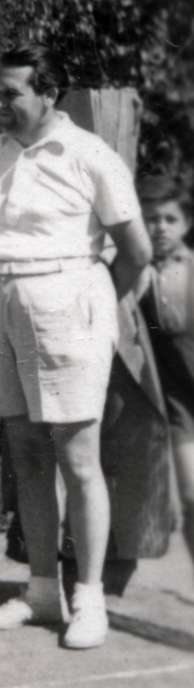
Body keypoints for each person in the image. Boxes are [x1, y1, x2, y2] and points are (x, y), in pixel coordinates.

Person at [0, 47, 152, 648]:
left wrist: (92, 306)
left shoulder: (90, 156)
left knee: (77, 455)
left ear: (48, 93)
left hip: (69, 299)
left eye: (11, 93)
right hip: (0, 297)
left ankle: (89, 598)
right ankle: (43, 591)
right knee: (26, 451)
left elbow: (137, 251)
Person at [138, 174, 194, 568]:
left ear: (187, 223)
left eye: (169, 219)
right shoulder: (136, 272)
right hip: (181, 409)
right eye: (151, 219)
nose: (160, 228)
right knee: (192, 498)